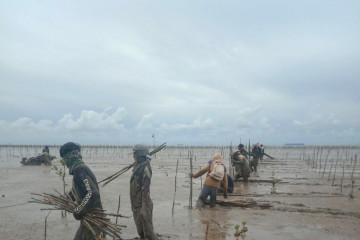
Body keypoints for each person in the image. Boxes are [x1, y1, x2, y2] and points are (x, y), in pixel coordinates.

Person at [60, 142, 104, 240]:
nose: (65, 163)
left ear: (69, 157)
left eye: (64, 159)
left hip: (94, 217)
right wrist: (66, 198)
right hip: (89, 217)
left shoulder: (79, 170)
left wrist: (78, 210)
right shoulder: (80, 169)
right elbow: (79, 190)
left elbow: (92, 193)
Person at [130, 144, 158, 240]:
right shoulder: (138, 166)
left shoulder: (145, 168)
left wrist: (144, 207)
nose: (133, 157)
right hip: (136, 205)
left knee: (149, 234)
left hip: (143, 204)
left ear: (140, 155)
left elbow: (145, 189)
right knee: (141, 232)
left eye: (135, 155)